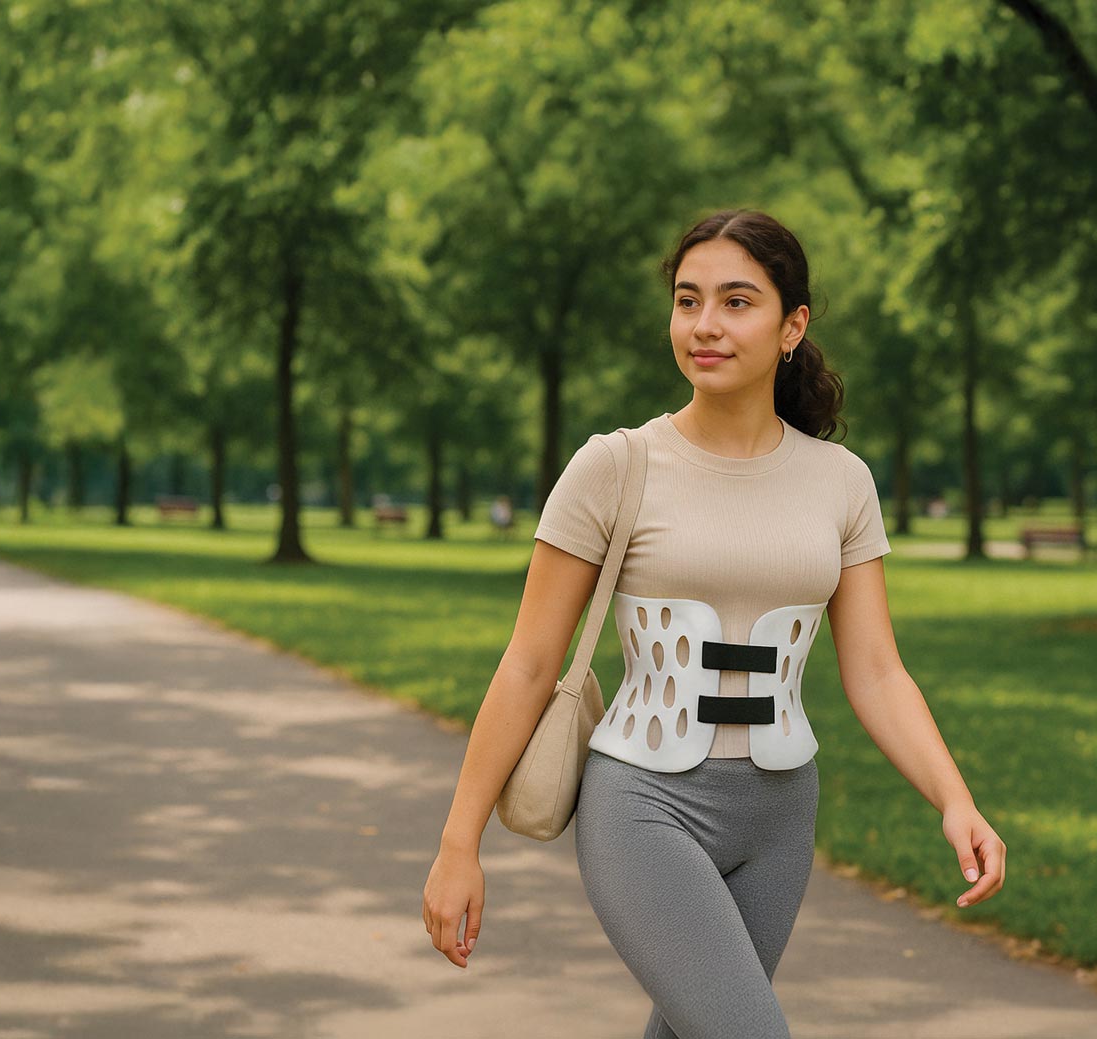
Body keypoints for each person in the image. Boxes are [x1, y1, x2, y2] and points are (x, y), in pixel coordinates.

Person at [421, 209, 1006, 1038]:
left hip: (779, 816)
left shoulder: (841, 482)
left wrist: (954, 798)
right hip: (643, 805)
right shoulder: (613, 465)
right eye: (688, 300)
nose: (704, 325)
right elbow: (527, 661)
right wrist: (458, 842)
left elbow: (875, 670)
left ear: (791, 325)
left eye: (736, 302)